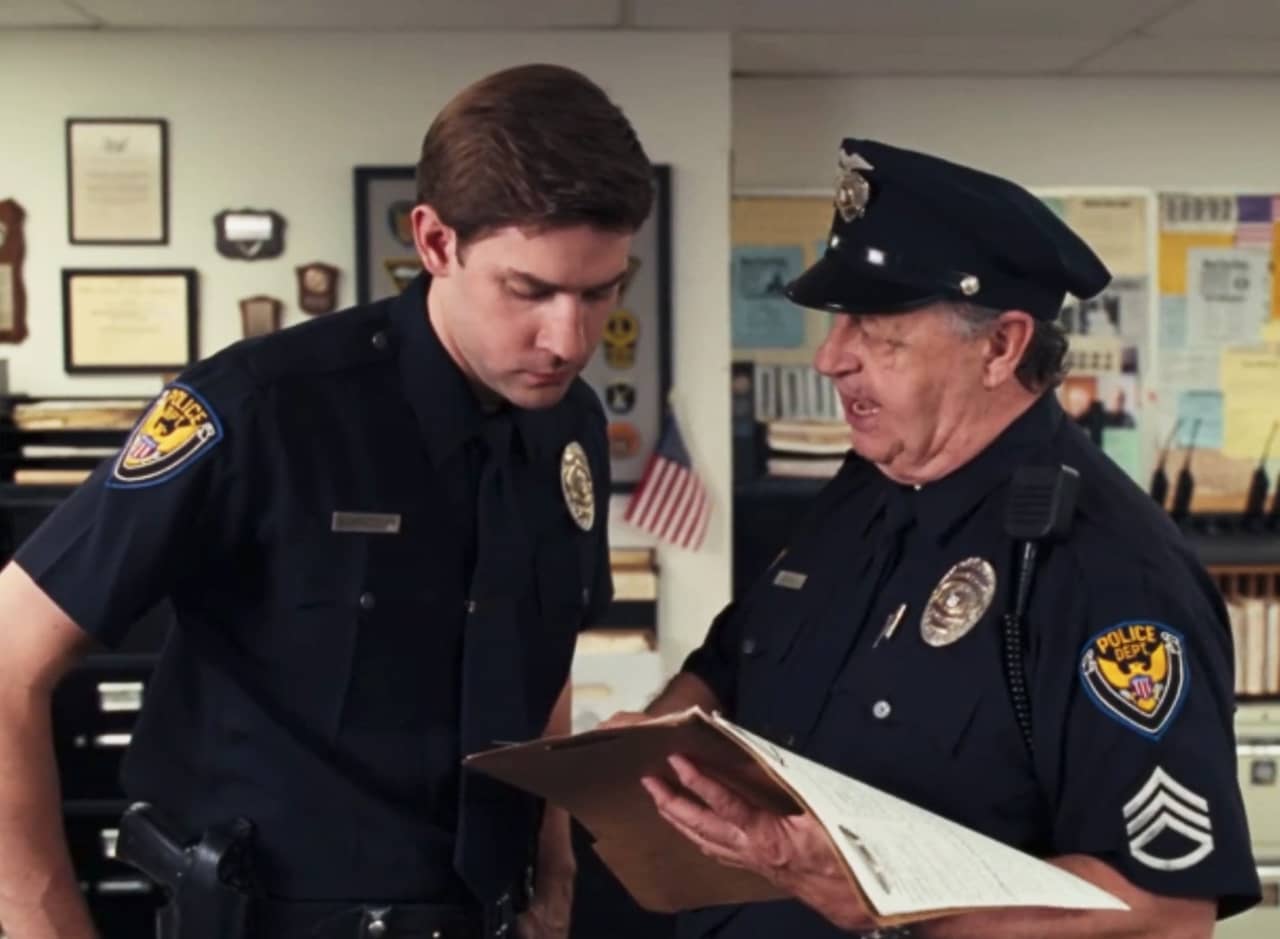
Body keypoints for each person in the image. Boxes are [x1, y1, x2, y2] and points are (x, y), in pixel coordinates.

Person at [0, 63, 653, 939]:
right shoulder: (261, 409)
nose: (569, 339)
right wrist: (42, 921)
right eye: (529, 291)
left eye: (601, 291)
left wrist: (557, 851)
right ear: (433, 243)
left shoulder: (567, 424)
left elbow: (544, 646)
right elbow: (9, 653)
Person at [610, 139, 1260, 938]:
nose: (830, 357)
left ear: (1001, 346)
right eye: (840, 321)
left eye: (878, 330)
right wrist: (641, 754)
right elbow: (726, 671)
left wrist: (899, 906)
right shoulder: (860, 495)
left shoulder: (1106, 570)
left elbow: (1163, 903)